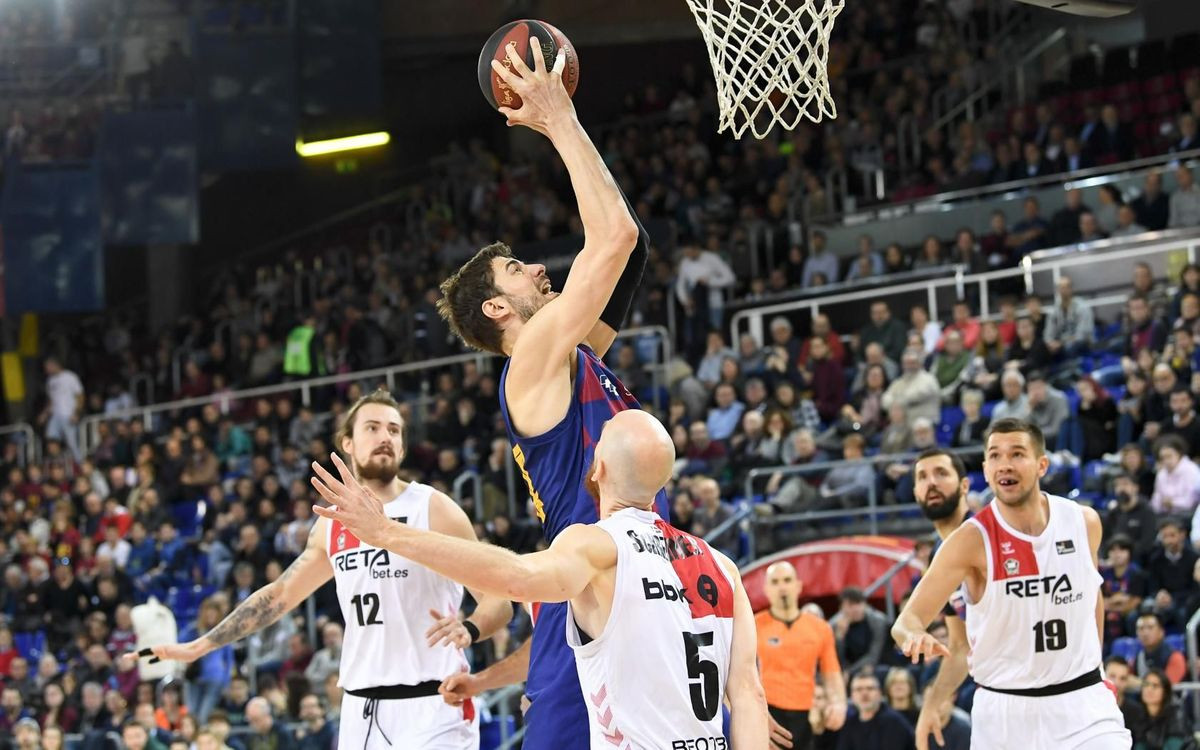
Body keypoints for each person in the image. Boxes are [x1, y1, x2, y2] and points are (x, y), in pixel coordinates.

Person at [432, 42, 693, 750]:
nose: (539, 267)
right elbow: (612, 237)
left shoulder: (575, 354)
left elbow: (630, 252)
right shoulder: (535, 361)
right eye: (517, 269)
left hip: (627, 579)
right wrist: (560, 118)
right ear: (496, 311)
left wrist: (557, 128)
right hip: (592, 583)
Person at [310, 409, 771, 748]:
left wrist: (387, 532)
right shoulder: (722, 566)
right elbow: (748, 695)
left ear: (599, 469)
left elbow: (515, 578)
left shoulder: (595, 545)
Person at [136, 390, 513, 750]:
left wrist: (470, 627)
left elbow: (499, 597)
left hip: (434, 701)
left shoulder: (434, 508)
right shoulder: (333, 524)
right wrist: (202, 645)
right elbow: (280, 595)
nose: (386, 437)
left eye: (394, 430)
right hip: (360, 708)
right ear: (347, 442)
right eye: (373, 427)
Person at [892, 419, 1130, 749]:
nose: (1006, 463)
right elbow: (907, 621)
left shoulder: (1083, 521)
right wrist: (913, 635)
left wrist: (1097, 666)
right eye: (995, 455)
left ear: (1041, 464)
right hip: (1005, 713)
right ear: (986, 470)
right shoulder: (968, 542)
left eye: (1017, 454)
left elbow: (1092, 595)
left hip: (1083, 702)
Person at [908, 448, 974, 750]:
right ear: (915, 492)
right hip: (997, 694)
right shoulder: (939, 556)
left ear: (964, 485)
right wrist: (932, 704)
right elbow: (960, 646)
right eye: (922, 477)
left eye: (941, 473)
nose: (931, 482)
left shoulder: (990, 533)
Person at [756, 561, 847, 749]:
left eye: (787, 580)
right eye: (775, 582)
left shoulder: (820, 628)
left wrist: (839, 703)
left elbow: (831, 672)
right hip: (768, 711)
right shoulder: (754, 625)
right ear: (766, 589)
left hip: (807, 712)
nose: (782, 586)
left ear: (798, 586)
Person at [837, 669, 915, 750]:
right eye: (858, 689)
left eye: (870, 688)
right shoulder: (850, 723)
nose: (864, 693)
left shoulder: (893, 722)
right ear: (852, 696)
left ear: (879, 693)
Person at [1131, 668, 1194, 750]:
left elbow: (1173, 746)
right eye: (1146, 685)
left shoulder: (1176, 715)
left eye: (1155, 686)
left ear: (1165, 692)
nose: (1149, 689)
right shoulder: (1139, 716)